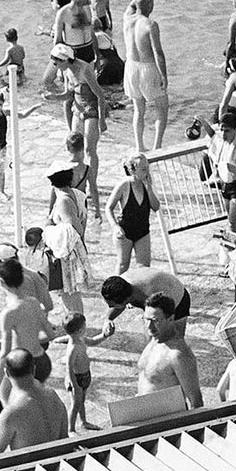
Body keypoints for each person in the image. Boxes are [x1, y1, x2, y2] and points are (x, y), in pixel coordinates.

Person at [48, 42, 107, 219]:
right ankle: (77, 183)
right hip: (78, 110)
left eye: (56, 62)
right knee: (74, 145)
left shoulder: (84, 69)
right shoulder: (66, 71)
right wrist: (54, 97)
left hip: (91, 110)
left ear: (64, 60)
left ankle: (91, 183)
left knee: (89, 149)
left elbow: (100, 95)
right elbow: (69, 94)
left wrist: (102, 120)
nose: (54, 66)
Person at [0, 258, 54, 399]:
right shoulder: (33, 303)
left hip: (22, 365)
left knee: (7, 398)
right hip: (42, 362)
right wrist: (30, 337)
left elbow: (5, 353)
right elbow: (50, 334)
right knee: (35, 403)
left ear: (2, 283)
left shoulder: (8, 313)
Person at [0, 349, 67, 455]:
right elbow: (64, 437)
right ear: (34, 369)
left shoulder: (11, 413)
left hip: (29, 469)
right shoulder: (53, 395)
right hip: (58, 465)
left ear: (7, 373)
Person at [137, 293, 203, 408]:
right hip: (145, 414)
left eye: (155, 320)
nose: (149, 326)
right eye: (146, 319)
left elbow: (196, 402)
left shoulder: (178, 355)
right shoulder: (154, 340)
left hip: (168, 420)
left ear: (171, 319)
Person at [123, 0, 168, 152]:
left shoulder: (127, 18)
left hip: (131, 67)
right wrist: (164, 75)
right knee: (162, 107)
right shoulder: (150, 24)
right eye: (152, 2)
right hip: (147, 67)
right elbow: (158, 53)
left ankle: (139, 146)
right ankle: (157, 146)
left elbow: (131, 5)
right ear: (149, 4)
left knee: (138, 109)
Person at [45, 163, 92, 315]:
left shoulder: (64, 201)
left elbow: (75, 228)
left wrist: (49, 231)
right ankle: (75, 325)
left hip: (67, 254)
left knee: (69, 294)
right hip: (72, 251)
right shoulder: (76, 194)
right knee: (69, 294)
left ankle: (77, 327)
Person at [199, 110, 236, 238]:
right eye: (222, 130)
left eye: (227, 130)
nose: (223, 133)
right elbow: (212, 134)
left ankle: (235, 248)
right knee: (235, 220)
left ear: (235, 130)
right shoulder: (220, 140)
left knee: (232, 223)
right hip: (225, 186)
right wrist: (203, 122)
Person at [105, 152, 160, 272]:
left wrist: (149, 188)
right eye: (143, 169)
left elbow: (156, 207)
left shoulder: (148, 185)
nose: (147, 172)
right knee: (123, 264)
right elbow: (108, 208)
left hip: (142, 231)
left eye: (148, 168)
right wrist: (114, 227)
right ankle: (114, 290)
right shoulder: (124, 186)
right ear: (133, 170)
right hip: (125, 232)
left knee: (144, 268)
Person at [100, 266, 190, 337]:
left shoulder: (148, 294)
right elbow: (119, 305)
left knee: (175, 339)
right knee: (152, 335)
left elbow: (159, 319)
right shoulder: (121, 283)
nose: (110, 308)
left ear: (126, 300)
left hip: (178, 298)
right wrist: (108, 319)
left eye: (112, 305)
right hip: (157, 291)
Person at [59, 311, 103, 432]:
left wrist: (105, 335)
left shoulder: (81, 339)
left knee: (81, 402)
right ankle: (71, 429)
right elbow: (69, 367)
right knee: (75, 405)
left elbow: (93, 341)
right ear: (79, 330)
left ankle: (84, 422)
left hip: (84, 376)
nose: (86, 328)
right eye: (85, 326)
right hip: (76, 379)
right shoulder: (73, 347)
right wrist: (75, 385)